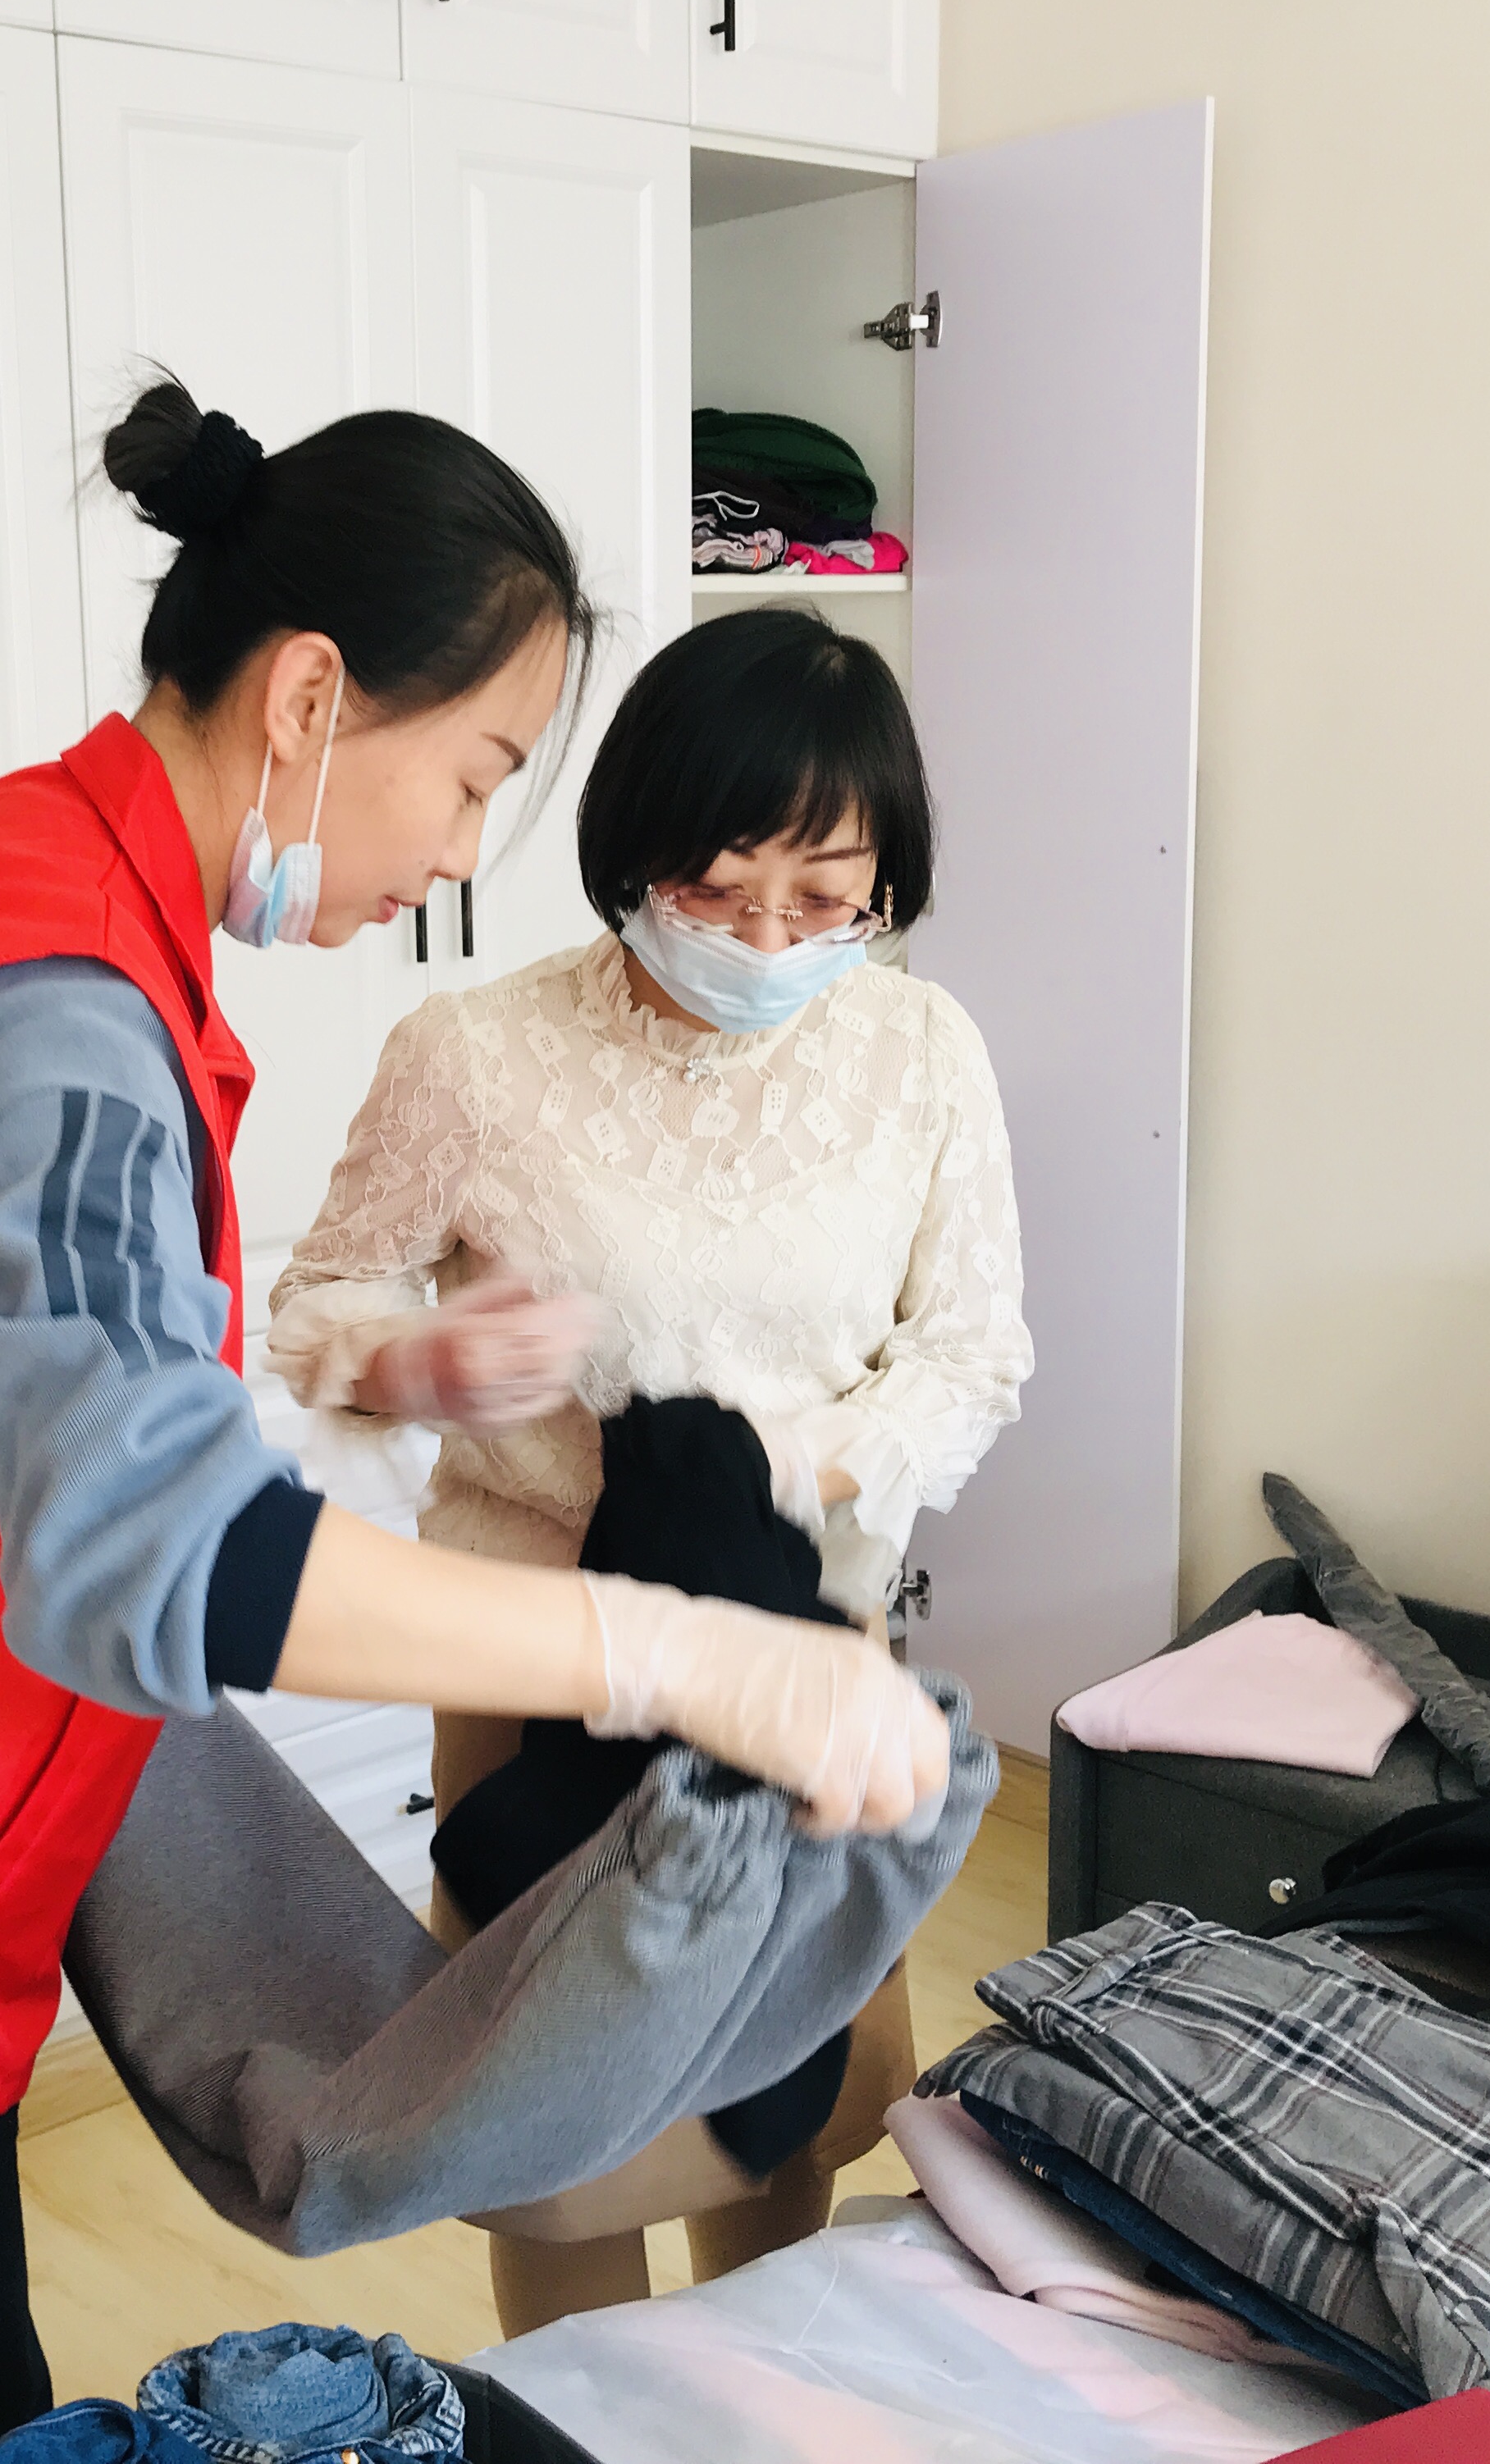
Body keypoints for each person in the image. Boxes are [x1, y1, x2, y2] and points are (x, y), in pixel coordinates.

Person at [0, 391, 953, 2464]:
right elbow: (160, 1547)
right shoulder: (65, 1004)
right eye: (475, 778)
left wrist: (399, 1377)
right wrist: (689, 1658)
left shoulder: (31, 870)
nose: (458, 856)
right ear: (312, 699)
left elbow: (42, 1400)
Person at [267, 605, 1034, 2334]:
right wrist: (407, 1359)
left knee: (785, 2123)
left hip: (806, 1665)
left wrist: (770, 1466)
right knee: (558, 2141)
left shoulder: (920, 1053)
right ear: (633, 852)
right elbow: (323, 1298)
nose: (769, 938)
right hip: (541, 1666)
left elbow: (973, 1352)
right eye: (720, 888)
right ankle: (574, 2430)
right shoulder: (473, 1056)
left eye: (826, 900)